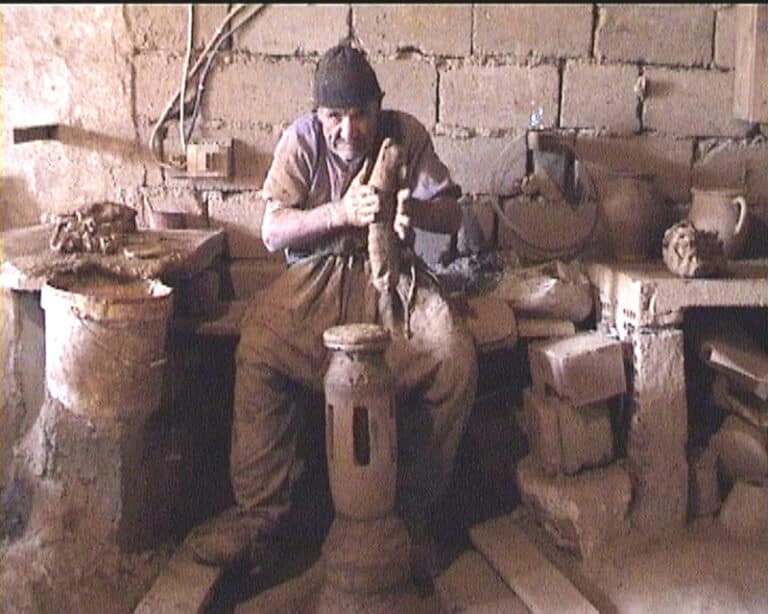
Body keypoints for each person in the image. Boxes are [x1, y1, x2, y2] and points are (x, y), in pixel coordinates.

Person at [186, 42, 478, 583]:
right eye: (334, 118)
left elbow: (453, 215)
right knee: (259, 347)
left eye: (360, 114)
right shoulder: (302, 140)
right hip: (315, 280)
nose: (348, 131)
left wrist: (413, 208)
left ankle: (409, 515)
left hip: (389, 279)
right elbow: (273, 231)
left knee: (452, 356)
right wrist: (340, 211)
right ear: (318, 115)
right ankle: (260, 518)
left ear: (378, 106)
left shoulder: (405, 134)